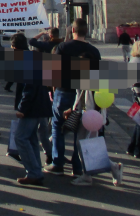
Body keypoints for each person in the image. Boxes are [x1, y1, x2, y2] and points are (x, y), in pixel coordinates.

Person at [45, 19, 101, 176]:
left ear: (73, 30)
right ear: (86, 30)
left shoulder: (63, 47)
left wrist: (53, 88)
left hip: (63, 90)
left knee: (57, 126)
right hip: (84, 94)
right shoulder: (94, 51)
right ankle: (77, 166)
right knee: (80, 131)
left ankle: (58, 162)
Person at [13, 33, 54, 186]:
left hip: (32, 107)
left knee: (21, 138)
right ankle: (36, 169)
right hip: (40, 105)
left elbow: (28, 88)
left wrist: (22, 108)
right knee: (31, 138)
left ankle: (34, 172)